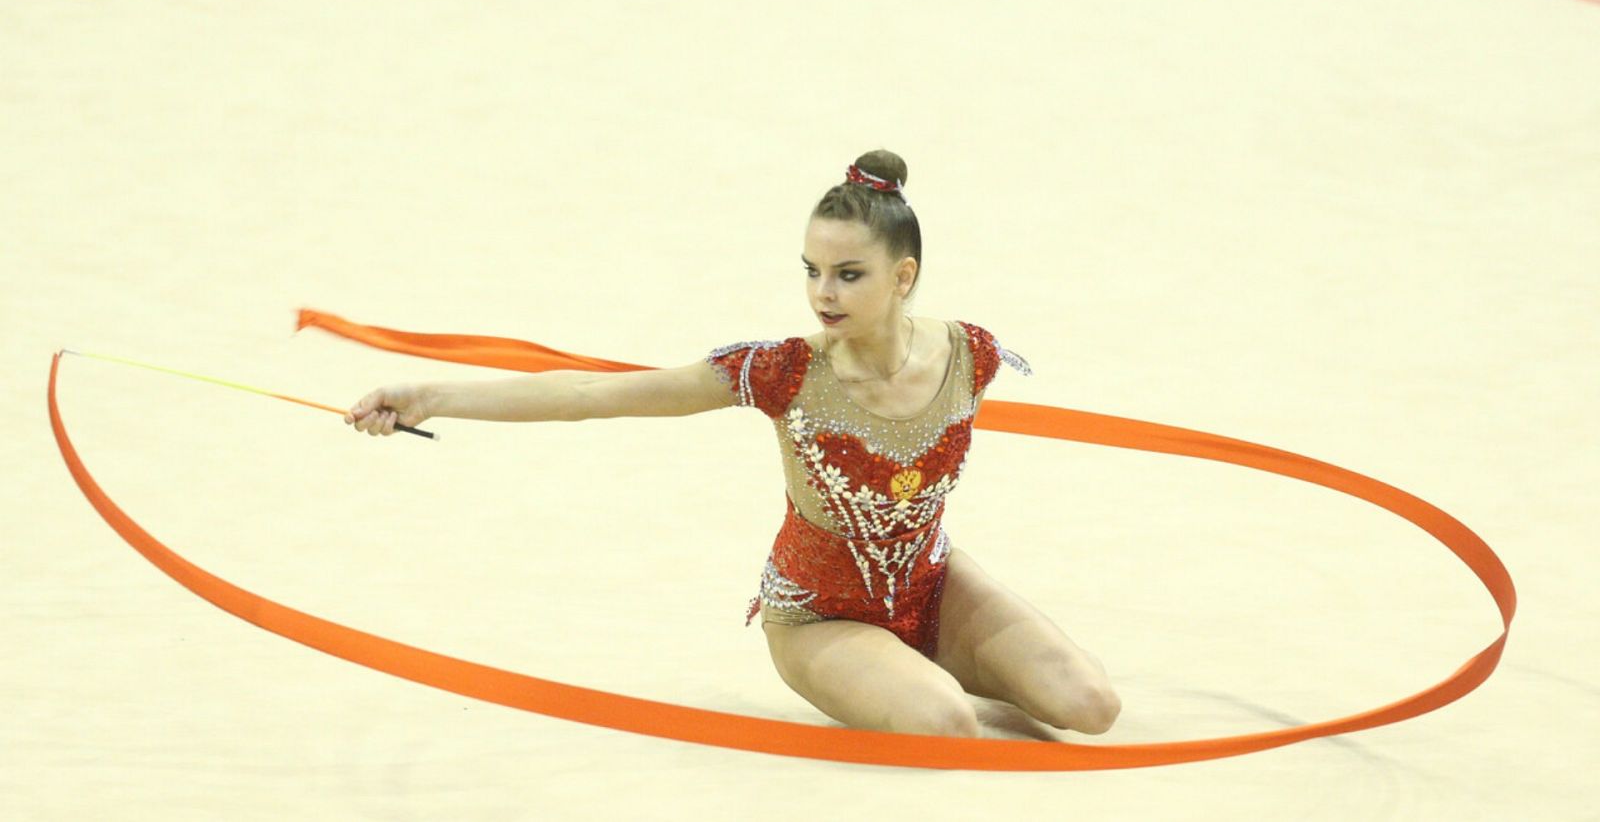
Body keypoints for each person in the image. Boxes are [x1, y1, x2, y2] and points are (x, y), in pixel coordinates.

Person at [343, 149, 1121, 739]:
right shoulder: (782, 372)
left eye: (849, 274)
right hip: (820, 616)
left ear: (903, 276)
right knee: (948, 727)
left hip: (931, 584)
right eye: (812, 271)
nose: (822, 294)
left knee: (1091, 707)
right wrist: (432, 396)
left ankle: (921, 667)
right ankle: (902, 680)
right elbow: (590, 396)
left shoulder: (971, 354)